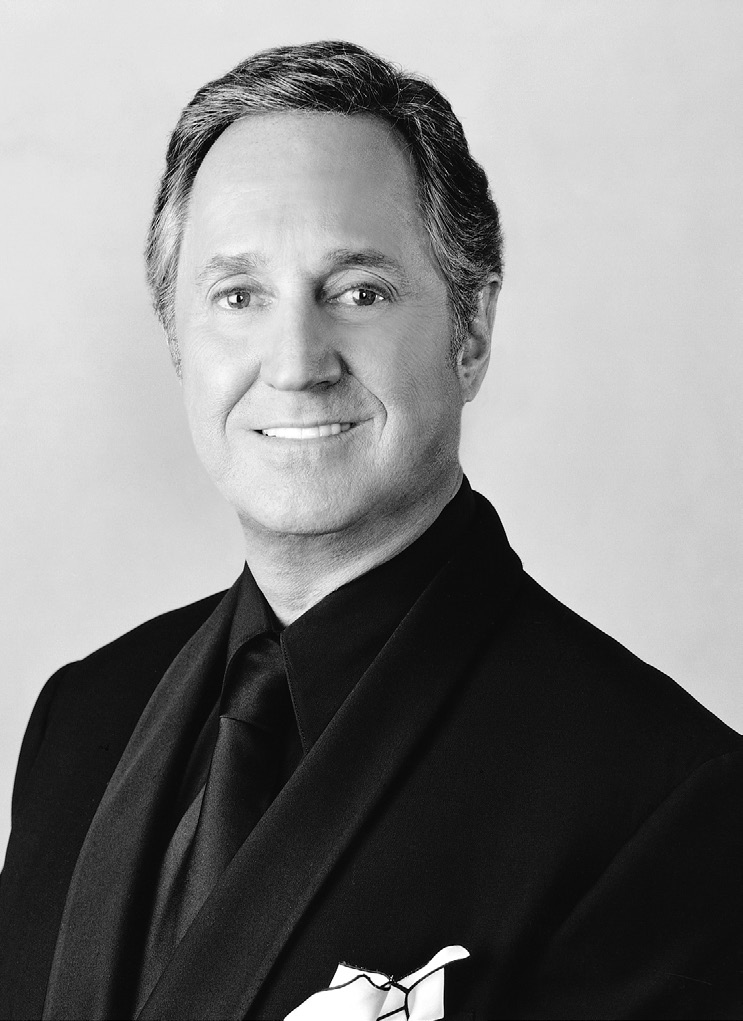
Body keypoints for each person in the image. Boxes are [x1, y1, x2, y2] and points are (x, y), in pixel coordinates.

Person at [0, 40, 741, 1021]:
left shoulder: (661, 799)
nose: (295, 362)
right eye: (238, 296)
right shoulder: (81, 718)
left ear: (469, 331)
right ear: (177, 337)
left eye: (357, 291)